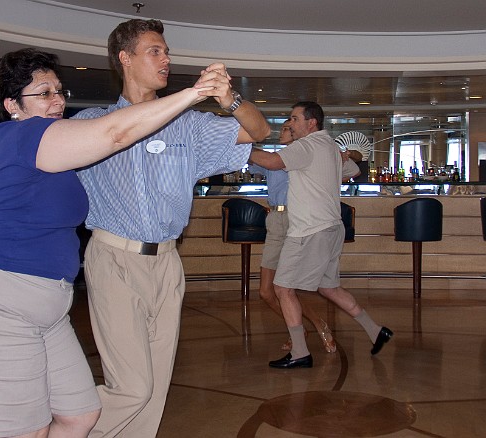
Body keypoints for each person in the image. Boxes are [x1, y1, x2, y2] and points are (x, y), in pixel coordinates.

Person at [0, 47, 217, 438]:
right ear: (12, 105)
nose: (58, 100)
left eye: (59, 91)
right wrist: (194, 93)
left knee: (80, 416)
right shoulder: (15, 136)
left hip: (46, 308)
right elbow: (114, 133)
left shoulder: (57, 152)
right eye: (43, 93)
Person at [74, 19, 270, 438]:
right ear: (125, 59)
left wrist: (229, 98)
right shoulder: (93, 123)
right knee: (132, 387)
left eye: (166, 51)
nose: (166, 59)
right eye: (155, 51)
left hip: (166, 262)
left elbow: (260, 130)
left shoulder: (190, 126)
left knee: (156, 387)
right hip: (114, 259)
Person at [248, 101, 393, 369]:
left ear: (311, 122)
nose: (289, 123)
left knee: (282, 288)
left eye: (294, 118)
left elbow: (271, 161)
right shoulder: (329, 147)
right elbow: (353, 170)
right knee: (329, 288)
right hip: (331, 228)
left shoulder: (307, 145)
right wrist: (346, 157)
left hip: (309, 230)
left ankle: (300, 352)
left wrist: (241, 147)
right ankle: (375, 331)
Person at [248, 119, 337, 354]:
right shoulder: (273, 159)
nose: (284, 131)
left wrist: (350, 155)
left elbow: (351, 163)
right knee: (266, 292)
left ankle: (310, 328)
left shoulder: (309, 153)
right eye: (285, 127)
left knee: (288, 288)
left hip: (299, 220)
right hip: (276, 221)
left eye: (289, 127)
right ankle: (307, 327)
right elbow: (250, 162)